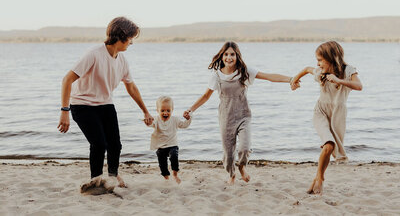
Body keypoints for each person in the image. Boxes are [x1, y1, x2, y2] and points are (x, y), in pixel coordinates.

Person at [57, 16, 154, 188]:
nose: (132, 42)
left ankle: (112, 176)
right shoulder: (93, 54)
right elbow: (67, 80)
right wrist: (65, 111)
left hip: (105, 104)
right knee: (99, 143)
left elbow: (131, 88)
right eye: (131, 38)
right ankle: (96, 180)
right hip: (82, 105)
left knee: (115, 144)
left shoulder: (122, 60)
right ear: (121, 36)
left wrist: (145, 111)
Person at [184, 41, 297, 184]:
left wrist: (291, 79)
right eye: (226, 54)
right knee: (228, 154)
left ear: (237, 56)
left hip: (244, 115)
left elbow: (269, 76)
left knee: (244, 148)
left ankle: (242, 166)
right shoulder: (216, 75)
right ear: (221, 56)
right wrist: (191, 109)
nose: (229, 57)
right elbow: (206, 96)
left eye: (232, 54)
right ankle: (231, 174)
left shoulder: (244, 71)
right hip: (226, 117)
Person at [290, 41, 362, 194]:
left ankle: (317, 179)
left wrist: (338, 80)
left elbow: (359, 86)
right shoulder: (321, 74)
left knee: (329, 150)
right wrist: (294, 79)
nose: (318, 63)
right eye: (317, 60)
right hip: (321, 112)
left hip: (338, 115)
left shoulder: (347, 70)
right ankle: (320, 179)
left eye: (320, 60)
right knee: (328, 145)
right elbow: (307, 69)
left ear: (332, 58)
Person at [146, 96, 191, 184]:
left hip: (172, 144)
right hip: (161, 146)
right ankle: (166, 177)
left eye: (168, 110)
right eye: (162, 110)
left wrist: (188, 119)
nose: (165, 113)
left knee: (174, 156)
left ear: (172, 110)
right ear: (157, 110)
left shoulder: (175, 119)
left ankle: (175, 174)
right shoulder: (156, 119)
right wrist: (148, 122)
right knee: (162, 162)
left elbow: (184, 125)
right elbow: (152, 124)